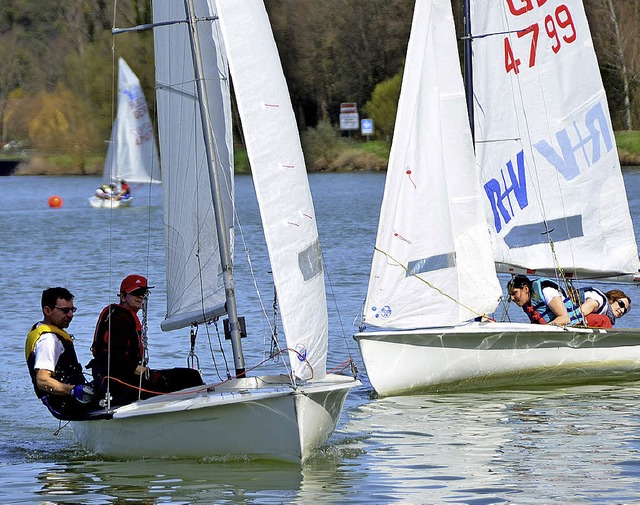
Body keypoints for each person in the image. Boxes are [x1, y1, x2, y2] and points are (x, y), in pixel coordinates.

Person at [89, 275, 203, 406]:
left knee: (188, 376)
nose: (141, 297)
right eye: (136, 293)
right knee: (190, 377)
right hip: (118, 382)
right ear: (122, 296)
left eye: (143, 293)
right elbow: (114, 358)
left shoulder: (120, 314)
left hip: (121, 377)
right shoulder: (120, 319)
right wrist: (146, 373)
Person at [25, 287, 96, 420]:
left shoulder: (42, 328)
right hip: (64, 403)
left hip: (69, 396)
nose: (70, 315)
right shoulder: (49, 340)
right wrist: (73, 390)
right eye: (65, 310)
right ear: (47, 310)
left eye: (72, 310)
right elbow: (42, 380)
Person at [507, 275, 582, 326]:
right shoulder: (526, 303)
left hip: (574, 326)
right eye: (510, 295)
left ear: (526, 289)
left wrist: (545, 328)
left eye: (514, 293)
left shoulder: (547, 292)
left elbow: (565, 318)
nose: (512, 298)